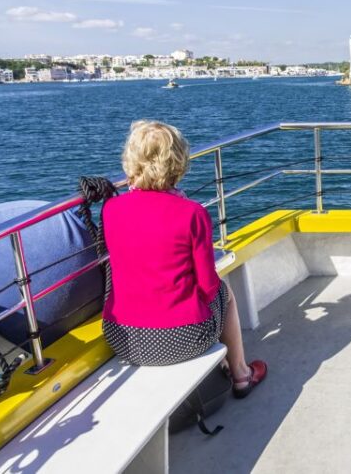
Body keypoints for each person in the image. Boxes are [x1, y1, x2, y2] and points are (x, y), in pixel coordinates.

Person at [101, 120, 266, 398]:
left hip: (123, 336)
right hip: (182, 339)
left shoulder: (111, 208)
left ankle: (228, 365)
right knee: (225, 293)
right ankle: (241, 374)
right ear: (178, 161)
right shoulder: (191, 213)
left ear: (131, 160)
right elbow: (208, 285)